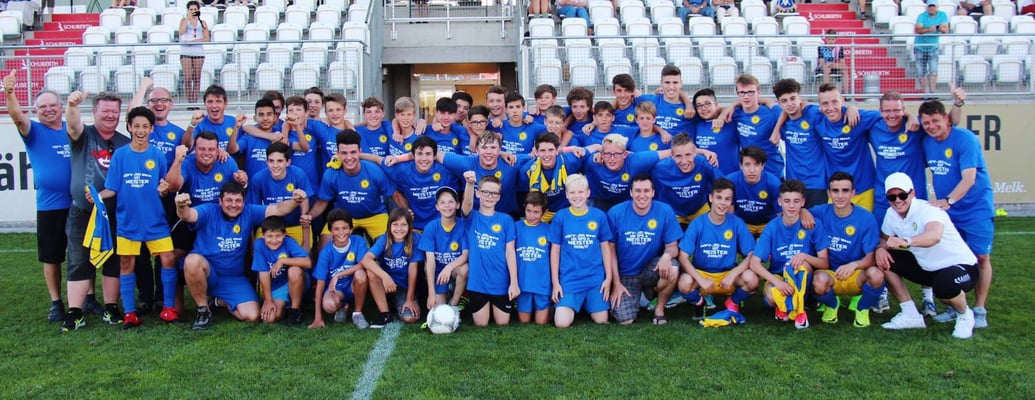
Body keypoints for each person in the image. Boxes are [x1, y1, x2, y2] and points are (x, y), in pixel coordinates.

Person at [175, 182, 307, 330]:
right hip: (208, 273)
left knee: (252, 315)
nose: (233, 205)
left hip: (233, 278)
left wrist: (295, 201)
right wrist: (181, 206)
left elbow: (278, 209)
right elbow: (188, 215)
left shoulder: (249, 211)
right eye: (229, 200)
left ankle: (218, 301)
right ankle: (203, 310)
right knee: (192, 260)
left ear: (244, 202)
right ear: (220, 201)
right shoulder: (209, 210)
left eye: (238, 201)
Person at [89, 107, 177, 329]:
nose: (140, 130)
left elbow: (163, 188)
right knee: (127, 263)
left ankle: (168, 308)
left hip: (155, 221)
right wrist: (97, 196)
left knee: (168, 259)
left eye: (145, 126)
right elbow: (112, 188)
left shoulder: (157, 155)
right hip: (128, 222)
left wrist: (164, 190)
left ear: (151, 129)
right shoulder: (120, 155)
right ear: (129, 127)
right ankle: (130, 313)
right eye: (136, 126)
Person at [4, 72, 73, 323]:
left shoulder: (73, 129)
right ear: (36, 111)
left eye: (52, 105)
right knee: (52, 257)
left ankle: (86, 298)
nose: (48, 110)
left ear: (61, 107)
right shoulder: (33, 131)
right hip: (50, 206)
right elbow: (16, 116)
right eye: (42, 107)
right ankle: (56, 302)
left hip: (77, 204)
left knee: (81, 256)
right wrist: (10, 93)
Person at [876, 173, 980, 339]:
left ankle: (965, 314)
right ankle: (910, 314)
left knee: (944, 286)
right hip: (928, 269)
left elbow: (934, 236)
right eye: (892, 197)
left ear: (912, 193)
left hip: (963, 267)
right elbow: (884, 239)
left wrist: (906, 241)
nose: (897, 200)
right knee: (884, 259)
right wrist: (881, 249)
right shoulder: (891, 214)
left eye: (902, 195)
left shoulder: (928, 209)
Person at [919, 100, 994, 329]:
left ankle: (979, 310)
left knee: (981, 257)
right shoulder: (927, 142)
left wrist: (949, 201)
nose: (931, 126)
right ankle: (954, 306)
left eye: (935, 121)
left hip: (975, 209)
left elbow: (969, 178)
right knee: (949, 258)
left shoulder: (965, 139)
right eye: (926, 123)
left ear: (946, 119)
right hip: (949, 213)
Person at [61, 91, 131, 333]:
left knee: (114, 261)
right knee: (79, 260)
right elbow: (72, 125)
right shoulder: (84, 135)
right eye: (105, 111)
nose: (110, 115)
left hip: (115, 213)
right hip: (83, 211)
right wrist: (72, 105)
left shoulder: (124, 143)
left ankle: (111, 307)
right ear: (94, 112)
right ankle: (75, 312)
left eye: (115, 111)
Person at [749, 180, 830, 329]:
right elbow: (754, 262)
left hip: (805, 280)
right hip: (780, 276)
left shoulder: (813, 224)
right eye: (787, 201)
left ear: (803, 202)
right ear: (780, 202)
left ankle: (799, 309)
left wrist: (805, 256)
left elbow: (824, 262)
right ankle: (787, 305)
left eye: (796, 201)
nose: (791, 206)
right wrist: (777, 282)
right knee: (770, 296)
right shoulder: (772, 227)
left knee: (799, 264)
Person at [810, 172, 885, 328]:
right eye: (835, 191)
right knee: (818, 281)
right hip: (831, 274)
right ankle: (832, 305)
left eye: (845, 190)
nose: (840, 196)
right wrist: (804, 212)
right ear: (828, 193)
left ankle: (862, 308)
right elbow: (798, 211)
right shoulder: (819, 212)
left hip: (856, 274)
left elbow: (871, 257)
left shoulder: (866, 218)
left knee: (876, 275)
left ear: (853, 193)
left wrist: (854, 265)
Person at [676, 178, 759, 318]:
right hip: (703, 274)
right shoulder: (698, 223)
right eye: (719, 198)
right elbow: (683, 257)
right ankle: (699, 303)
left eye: (727, 199)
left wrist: (733, 273)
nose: (723, 203)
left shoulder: (737, 223)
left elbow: (751, 254)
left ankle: (733, 302)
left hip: (727, 275)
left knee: (752, 279)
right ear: (711, 198)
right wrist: (700, 279)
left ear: (731, 201)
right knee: (684, 283)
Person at [607, 176, 682, 325]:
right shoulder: (616, 213)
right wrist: (616, 284)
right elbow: (610, 251)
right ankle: (644, 296)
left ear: (653, 193)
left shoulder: (664, 211)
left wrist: (666, 256)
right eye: (638, 191)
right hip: (625, 274)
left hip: (650, 268)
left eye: (646, 191)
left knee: (673, 268)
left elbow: (673, 246)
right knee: (625, 320)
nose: (642, 195)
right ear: (631, 193)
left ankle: (659, 309)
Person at [309, 130, 405, 247]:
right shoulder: (331, 174)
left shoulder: (374, 171)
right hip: (343, 217)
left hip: (375, 215)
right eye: (344, 153)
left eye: (353, 152)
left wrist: (407, 211)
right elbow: (322, 202)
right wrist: (308, 216)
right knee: (324, 246)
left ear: (360, 151)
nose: (349, 157)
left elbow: (395, 194)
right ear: (337, 153)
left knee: (388, 247)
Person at [549, 174, 614, 328]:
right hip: (570, 279)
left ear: (588, 193)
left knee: (601, 320)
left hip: (594, 279)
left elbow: (606, 248)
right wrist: (556, 283)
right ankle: (573, 303)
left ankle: (588, 303)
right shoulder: (561, 217)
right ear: (566, 195)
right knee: (562, 323)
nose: (576, 196)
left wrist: (608, 278)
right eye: (572, 192)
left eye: (580, 192)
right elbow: (555, 251)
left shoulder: (599, 216)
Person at [461, 173, 520, 327]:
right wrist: (469, 183)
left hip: (500, 281)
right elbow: (466, 205)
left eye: (494, 193)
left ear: (499, 197)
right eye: (486, 192)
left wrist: (514, 283)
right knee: (481, 324)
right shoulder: (472, 218)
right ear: (478, 193)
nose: (490, 196)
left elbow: (510, 252)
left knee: (502, 322)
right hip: (477, 282)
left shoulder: (506, 220)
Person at [814, 83, 883, 212]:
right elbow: (798, 104)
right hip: (836, 190)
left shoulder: (857, 117)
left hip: (863, 188)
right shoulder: (817, 119)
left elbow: (889, 113)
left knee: (862, 223)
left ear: (842, 101)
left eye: (835, 102)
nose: (830, 107)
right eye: (825, 103)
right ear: (820, 106)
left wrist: (910, 116)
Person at [377, 136, 459, 231]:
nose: (424, 158)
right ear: (413, 156)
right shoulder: (403, 170)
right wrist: (361, 156)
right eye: (419, 154)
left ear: (435, 156)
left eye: (428, 154)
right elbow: (377, 159)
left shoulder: (446, 170)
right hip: (414, 225)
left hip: (440, 225)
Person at [360, 208, 424, 327]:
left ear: (410, 226)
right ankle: (385, 314)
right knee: (371, 270)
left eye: (403, 225)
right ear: (389, 226)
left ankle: (398, 303)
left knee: (410, 318)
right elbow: (365, 259)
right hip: (385, 285)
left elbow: (413, 270)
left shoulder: (415, 239)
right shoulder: (384, 239)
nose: (399, 229)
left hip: (404, 287)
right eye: (395, 224)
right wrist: (385, 277)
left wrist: (409, 299)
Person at [310, 209, 371, 329]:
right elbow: (320, 285)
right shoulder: (326, 252)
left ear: (350, 229)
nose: (341, 232)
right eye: (336, 229)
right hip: (336, 289)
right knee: (328, 305)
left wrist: (338, 275)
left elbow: (364, 264)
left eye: (345, 228)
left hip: (354, 285)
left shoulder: (358, 241)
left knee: (360, 274)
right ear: (330, 231)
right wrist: (318, 317)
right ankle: (342, 307)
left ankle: (357, 313)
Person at [772, 79, 828, 207]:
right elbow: (765, 101)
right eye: (784, 101)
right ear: (779, 104)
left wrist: (850, 108)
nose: (789, 104)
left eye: (793, 98)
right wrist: (777, 128)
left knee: (816, 218)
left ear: (800, 98)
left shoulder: (813, 114)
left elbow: (833, 110)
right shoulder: (783, 121)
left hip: (817, 184)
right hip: (793, 185)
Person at [246, 142, 314, 246]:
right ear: (266, 162)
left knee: (306, 249)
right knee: (260, 248)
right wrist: (252, 246)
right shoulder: (258, 179)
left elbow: (304, 200)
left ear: (288, 162)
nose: (275, 165)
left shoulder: (298, 174)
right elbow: (251, 212)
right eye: (271, 161)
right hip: (269, 227)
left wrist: (304, 218)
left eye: (280, 161)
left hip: (295, 225)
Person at [583, 133, 668, 211]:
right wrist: (596, 147)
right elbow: (579, 152)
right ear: (602, 154)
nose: (612, 158)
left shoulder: (636, 161)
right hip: (601, 201)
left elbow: (669, 152)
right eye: (608, 154)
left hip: (627, 204)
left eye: (617, 154)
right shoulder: (594, 161)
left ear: (625, 154)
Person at [252, 216, 311, 326]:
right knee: (269, 319)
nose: (274, 240)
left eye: (278, 236)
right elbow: (263, 273)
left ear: (284, 234)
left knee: (294, 270)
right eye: (270, 236)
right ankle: (284, 306)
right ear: (263, 235)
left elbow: (307, 262)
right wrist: (268, 300)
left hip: (294, 280)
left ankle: (295, 311)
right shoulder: (259, 244)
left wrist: (282, 261)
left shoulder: (289, 242)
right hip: (276, 285)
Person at [418, 187, 469, 310]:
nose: (447, 206)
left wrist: (449, 267)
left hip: (455, 269)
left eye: (451, 202)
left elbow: (465, 255)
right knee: (438, 310)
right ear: (437, 206)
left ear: (458, 205)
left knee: (465, 269)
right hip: (438, 272)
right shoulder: (431, 227)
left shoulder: (463, 225)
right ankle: (443, 293)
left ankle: (454, 305)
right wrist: (431, 294)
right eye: (442, 202)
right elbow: (430, 262)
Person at [651, 134, 718, 225]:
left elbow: (723, 186)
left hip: (700, 210)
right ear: (672, 155)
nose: (684, 161)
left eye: (688, 155)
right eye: (679, 156)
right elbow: (636, 162)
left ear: (695, 153)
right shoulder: (660, 168)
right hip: (674, 213)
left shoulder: (705, 163)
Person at [730, 74, 785, 178]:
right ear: (737, 93)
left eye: (750, 92)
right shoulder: (735, 113)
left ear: (758, 92)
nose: (746, 96)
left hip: (772, 170)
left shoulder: (771, 114)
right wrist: (729, 109)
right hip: (750, 172)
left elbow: (787, 114)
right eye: (742, 93)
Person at [727, 146, 782, 237]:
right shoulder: (731, 181)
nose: (752, 170)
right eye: (747, 164)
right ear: (741, 166)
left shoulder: (774, 183)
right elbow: (729, 213)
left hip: (768, 224)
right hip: (743, 224)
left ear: (762, 166)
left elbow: (780, 214)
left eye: (756, 164)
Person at [514, 191, 552, 324]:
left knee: (541, 322)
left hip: (543, 284)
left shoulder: (549, 229)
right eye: (528, 211)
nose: (531, 215)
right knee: (524, 321)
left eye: (536, 212)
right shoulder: (516, 227)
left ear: (544, 212)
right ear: (524, 208)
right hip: (523, 284)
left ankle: (552, 308)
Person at [690, 88, 740, 175]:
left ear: (716, 104)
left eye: (707, 104)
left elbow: (749, 105)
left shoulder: (730, 121)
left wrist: (722, 115)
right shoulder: (695, 124)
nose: (703, 108)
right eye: (699, 106)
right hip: (705, 177)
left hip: (729, 177)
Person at [184, 85, 236, 151]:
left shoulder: (234, 122)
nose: (214, 106)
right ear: (205, 104)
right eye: (210, 102)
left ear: (225, 104)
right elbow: (186, 147)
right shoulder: (199, 124)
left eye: (218, 101)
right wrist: (191, 125)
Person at [914, 0, 949, 96]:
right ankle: (926, 94)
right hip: (920, 47)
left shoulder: (942, 15)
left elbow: (945, 29)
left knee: (933, 70)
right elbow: (918, 30)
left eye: (933, 6)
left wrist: (940, 28)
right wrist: (929, 29)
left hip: (933, 47)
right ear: (927, 7)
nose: (931, 8)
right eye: (930, 6)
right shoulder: (922, 16)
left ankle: (933, 93)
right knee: (921, 72)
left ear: (937, 7)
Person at [179, 1, 209, 104]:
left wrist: (193, 41)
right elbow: (181, 32)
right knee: (187, 78)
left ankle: (195, 102)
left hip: (198, 52)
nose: (193, 11)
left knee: (196, 77)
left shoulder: (202, 22)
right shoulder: (184, 20)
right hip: (185, 52)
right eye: (191, 9)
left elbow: (206, 38)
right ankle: (189, 101)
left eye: (195, 9)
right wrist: (188, 18)